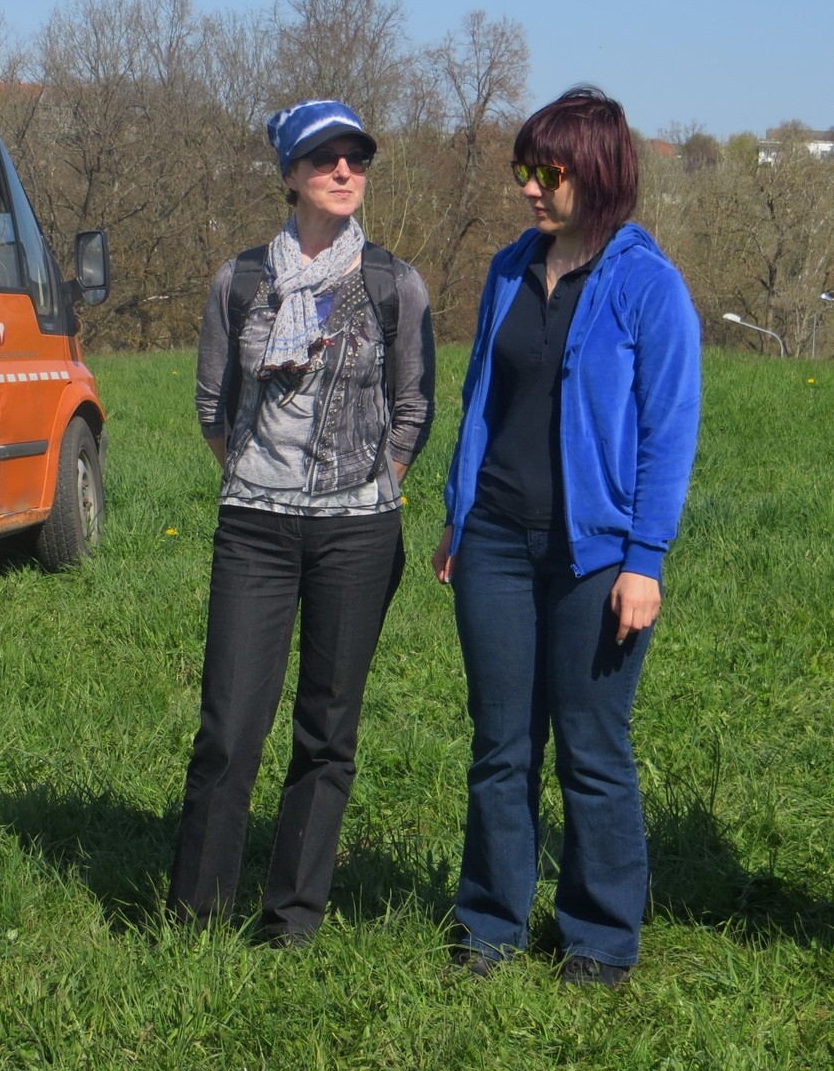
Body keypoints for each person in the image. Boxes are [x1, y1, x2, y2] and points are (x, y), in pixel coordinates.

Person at [431, 87, 700, 988]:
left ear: (597, 174)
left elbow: (669, 430)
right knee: (501, 744)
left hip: (597, 556)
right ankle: (491, 924)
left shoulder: (646, 286)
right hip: (497, 543)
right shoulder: (508, 269)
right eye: (525, 171)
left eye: (548, 173)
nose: (530, 191)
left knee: (593, 746)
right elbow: (481, 401)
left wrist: (645, 561)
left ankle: (600, 935)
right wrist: (457, 516)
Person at [167, 98, 435, 946]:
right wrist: (263, 481)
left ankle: (292, 916)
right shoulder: (241, 280)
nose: (345, 171)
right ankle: (197, 912)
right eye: (325, 159)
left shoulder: (395, 283)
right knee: (229, 725)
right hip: (254, 528)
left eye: (356, 158)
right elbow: (215, 406)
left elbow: (414, 407)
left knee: (327, 730)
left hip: (359, 534)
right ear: (290, 175)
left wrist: (367, 487)